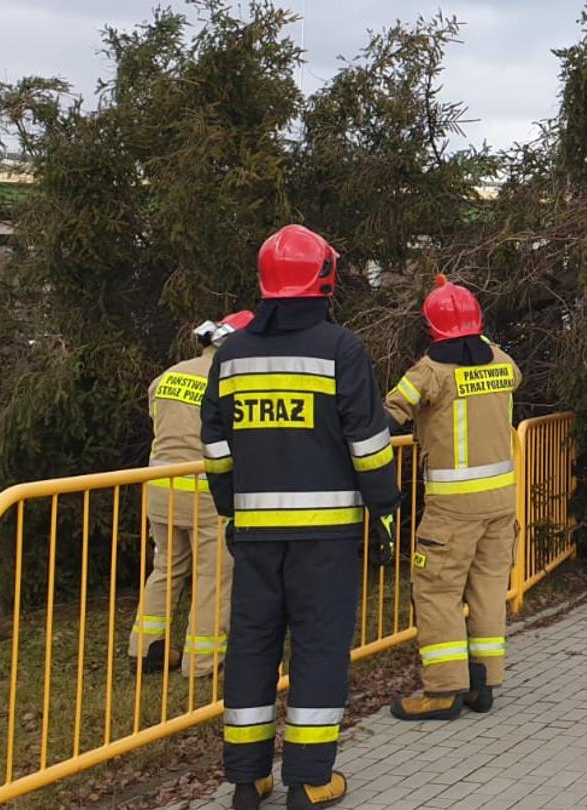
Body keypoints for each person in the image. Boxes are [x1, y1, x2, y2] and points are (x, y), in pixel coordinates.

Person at [203, 225, 400, 810]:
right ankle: (309, 780)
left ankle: (247, 779)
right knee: (317, 649)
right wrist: (385, 514)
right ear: (324, 279)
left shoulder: (231, 354)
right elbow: (369, 443)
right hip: (327, 537)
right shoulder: (341, 348)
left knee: (252, 647)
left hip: (257, 535)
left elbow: (216, 449)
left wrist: (232, 514)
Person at [384, 275, 520, 721]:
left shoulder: (430, 371)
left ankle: (443, 691)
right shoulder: (501, 360)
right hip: (501, 501)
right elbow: (511, 378)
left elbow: (387, 416)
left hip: (452, 506)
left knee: (437, 591)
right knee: (486, 590)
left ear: (431, 327)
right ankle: (482, 683)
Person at [129, 310, 252, 678]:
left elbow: (158, 421)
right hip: (205, 492)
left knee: (166, 567)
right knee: (213, 575)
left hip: (161, 489)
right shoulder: (229, 380)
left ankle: (145, 651)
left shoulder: (168, 376)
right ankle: (201, 662)